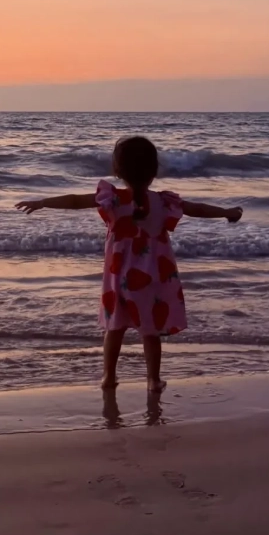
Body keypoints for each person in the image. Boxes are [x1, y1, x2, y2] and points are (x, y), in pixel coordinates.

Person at [15, 135, 242, 392]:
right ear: (154, 171)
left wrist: (42, 203)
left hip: (118, 277)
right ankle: (153, 380)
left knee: (114, 328)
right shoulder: (163, 202)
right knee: (150, 330)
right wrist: (226, 212)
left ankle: (108, 377)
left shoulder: (112, 199)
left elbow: (75, 201)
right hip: (152, 277)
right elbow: (197, 209)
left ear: (117, 170)